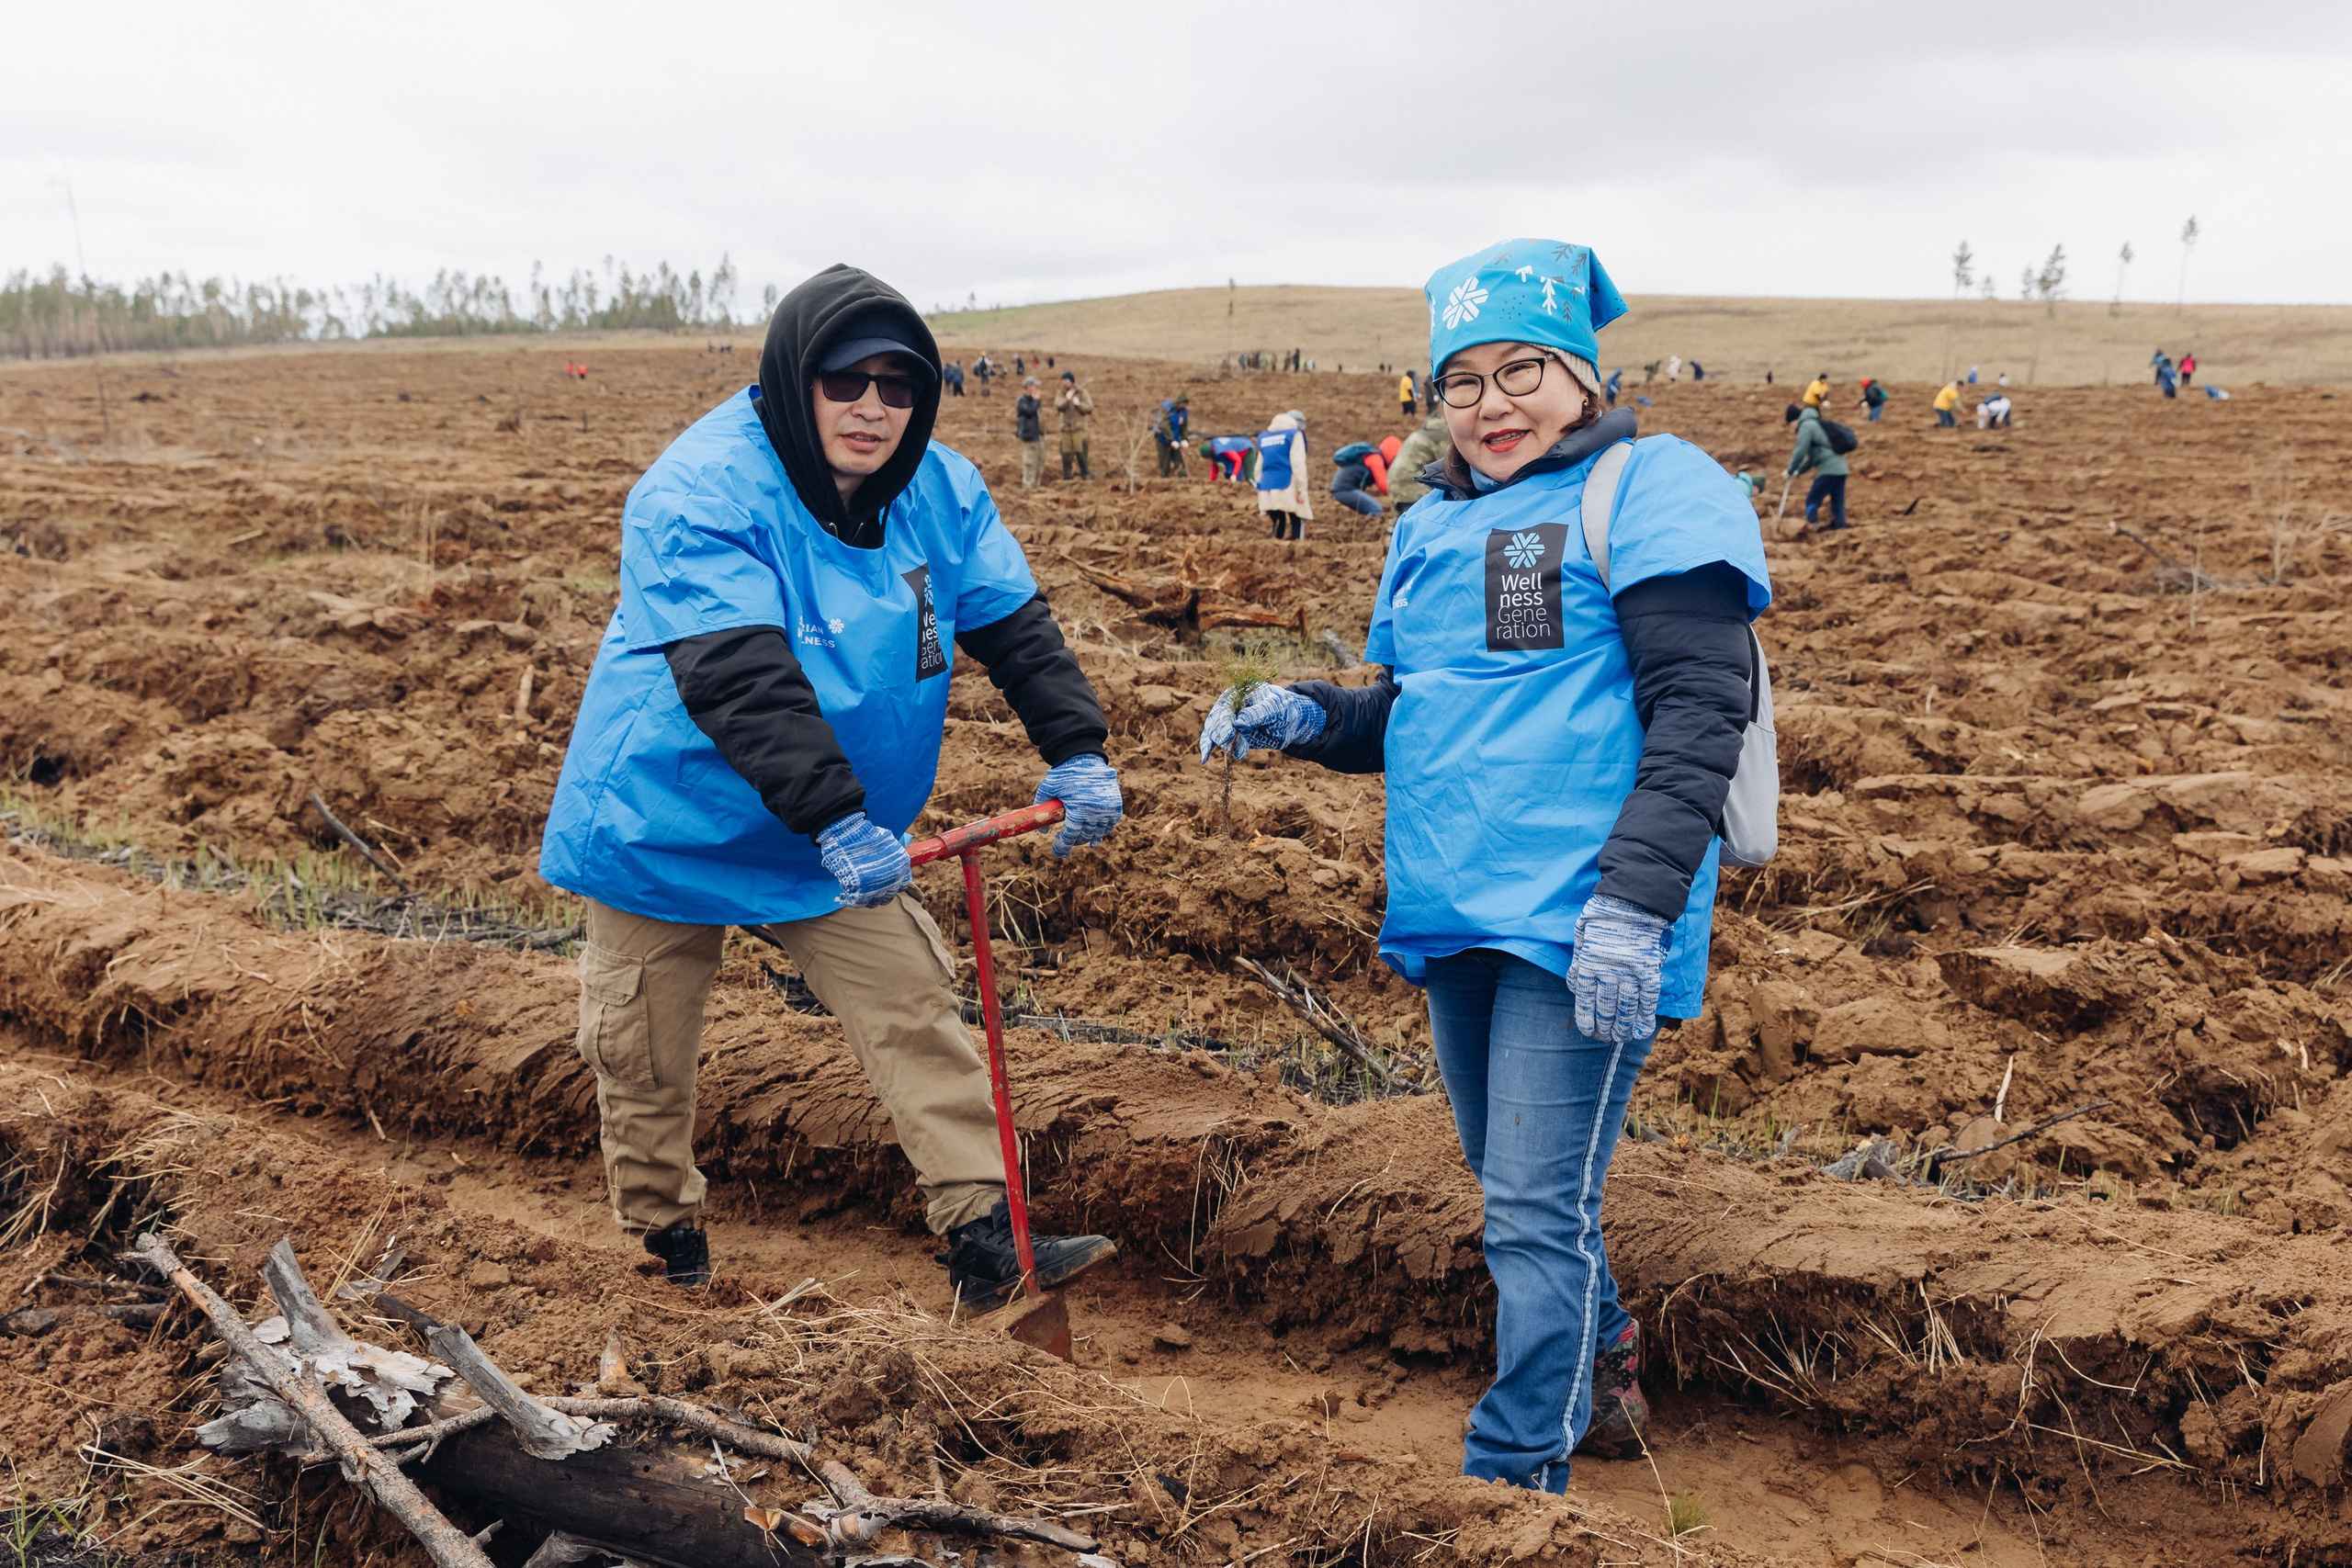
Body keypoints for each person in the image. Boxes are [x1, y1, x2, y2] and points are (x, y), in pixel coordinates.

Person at [1196, 236, 1768, 1495]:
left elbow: (1697, 719)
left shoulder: (1655, 488)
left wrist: (1633, 906)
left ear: (1579, 374)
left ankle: (1511, 1484)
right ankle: (1603, 1366)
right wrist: (1302, 710)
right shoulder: (1432, 526)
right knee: (1527, 1189)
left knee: (1526, 1204)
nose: (1493, 405)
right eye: (1464, 383)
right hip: (1458, 906)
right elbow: (1414, 712)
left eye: (1523, 373)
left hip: (1582, 918)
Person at [539, 264, 1125, 1303]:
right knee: (640, 1049)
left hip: (825, 832)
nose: (871, 407)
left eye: (899, 386)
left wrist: (1076, 746)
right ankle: (663, 1247)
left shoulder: (940, 490)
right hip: (668, 820)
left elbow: (1014, 627)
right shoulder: (699, 489)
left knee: (910, 1001)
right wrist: (840, 819)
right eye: (844, 380)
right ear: (790, 380)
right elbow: (736, 675)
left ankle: (987, 1238)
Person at [1786, 403, 1848, 530]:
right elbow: (1810, 460)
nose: (1791, 428)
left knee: (1812, 499)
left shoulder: (1807, 426)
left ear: (1794, 420)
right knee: (1838, 501)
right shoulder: (1817, 423)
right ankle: (1841, 528)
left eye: (1790, 424)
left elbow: (1800, 451)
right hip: (1841, 468)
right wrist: (1798, 471)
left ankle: (1810, 526)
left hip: (1828, 469)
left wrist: (1790, 469)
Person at [1255, 409, 1312, 540]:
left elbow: (1258, 466)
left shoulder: (1263, 438)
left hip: (1267, 484)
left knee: (1277, 519)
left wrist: (1259, 484)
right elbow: (1298, 464)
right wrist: (1301, 488)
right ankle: (1298, 546)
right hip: (1287, 482)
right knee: (1297, 516)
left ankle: (1276, 545)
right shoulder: (1294, 435)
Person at [1388, 408, 1449, 509]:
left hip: (1394, 480)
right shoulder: (1441, 437)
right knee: (1422, 518)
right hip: (1412, 483)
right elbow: (1449, 467)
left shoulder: (1422, 432)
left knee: (1398, 521)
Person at [1329, 441, 1385, 519]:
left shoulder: (1370, 457)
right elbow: (1383, 486)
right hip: (1345, 489)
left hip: (1341, 488)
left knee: (1372, 506)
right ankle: (1369, 529)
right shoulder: (1375, 459)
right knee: (1376, 509)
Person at [1055, 371, 1092, 479]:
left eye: (1065, 381)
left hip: (1079, 429)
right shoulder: (1060, 393)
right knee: (1066, 456)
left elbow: (1089, 407)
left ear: (1070, 381)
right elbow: (1058, 406)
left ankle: (1085, 476)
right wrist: (1067, 399)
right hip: (1065, 430)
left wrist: (1078, 404)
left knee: (1082, 456)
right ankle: (1067, 478)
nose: (1063, 383)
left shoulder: (1082, 393)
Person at [1014, 378, 1046, 488]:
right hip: (1029, 436)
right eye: (1035, 386)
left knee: (1040, 461)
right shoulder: (1022, 400)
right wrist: (1036, 400)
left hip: (1038, 436)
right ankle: (1028, 486)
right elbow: (1029, 411)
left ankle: (1036, 485)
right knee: (1029, 462)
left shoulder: (1033, 401)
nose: (1037, 389)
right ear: (1028, 387)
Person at [1154, 393, 1190, 477]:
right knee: (1165, 462)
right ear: (1178, 402)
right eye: (1182, 403)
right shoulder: (1167, 408)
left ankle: (1183, 479)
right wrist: (1171, 439)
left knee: (1179, 461)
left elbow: (1184, 426)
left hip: (1175, 438)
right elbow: (1163, 425)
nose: (1184, 406)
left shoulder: (1184, 411)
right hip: (1163, 439)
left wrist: (1184, 438)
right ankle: (1164, 479)